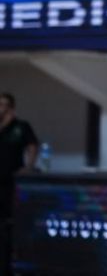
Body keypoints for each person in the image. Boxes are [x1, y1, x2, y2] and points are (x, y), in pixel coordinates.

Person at [0, 93, 38, 273]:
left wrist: (29, 166)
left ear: (11, 108)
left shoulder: (21, 127)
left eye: (2, 105)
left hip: (11, 184)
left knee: (9, 227)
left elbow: (32, 146)